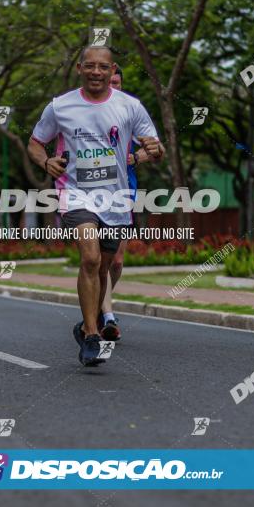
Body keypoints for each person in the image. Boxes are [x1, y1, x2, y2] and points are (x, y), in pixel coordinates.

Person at [28, 46, 164, 366]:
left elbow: (153, 146)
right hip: (75, 193)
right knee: (89, 258)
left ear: (111, 68)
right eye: (90, 66)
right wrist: (46, 160)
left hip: (115, 198)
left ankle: (88, 322)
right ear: (80, 68)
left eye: (103, 67)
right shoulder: (60, 106)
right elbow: (36, 142)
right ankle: (91, 335)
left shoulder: (130, 106)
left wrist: (151, 149)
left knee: (105, 266)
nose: (96, 72)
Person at [99, 67, 156, 342]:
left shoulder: (130, 111)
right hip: (91, 193)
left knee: (117, 261)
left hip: (123, 191)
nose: (114, 86)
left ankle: (98, 303)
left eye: (117, 82)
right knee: (97, 258)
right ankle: (106, 315)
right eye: (109, 82)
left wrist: (138, 158)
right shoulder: (87, 110)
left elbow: (153, 146)